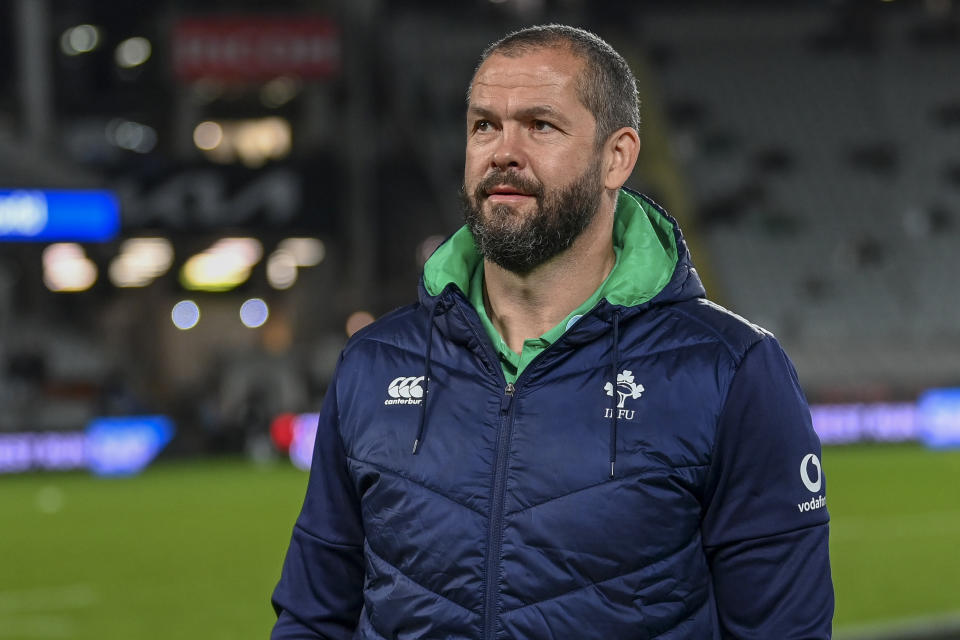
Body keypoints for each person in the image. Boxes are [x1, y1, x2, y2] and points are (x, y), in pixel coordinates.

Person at [272, 24, 834, 639]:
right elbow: (312, 616)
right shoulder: (376, 362)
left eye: (540, 125)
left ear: (616, 156)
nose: (502, 151)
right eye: (484, 125)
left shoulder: (730, 370)